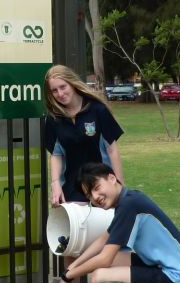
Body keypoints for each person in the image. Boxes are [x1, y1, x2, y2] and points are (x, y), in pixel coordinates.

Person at [56, 162, 180, 283]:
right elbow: (103, 240)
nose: (95, 197)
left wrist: (69, 276)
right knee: (111, 262)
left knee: (99, 278)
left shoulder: (129, 205)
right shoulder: (128, 199)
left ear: (112, 178)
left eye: (97, 188)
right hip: (171, 269)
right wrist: (72, 268)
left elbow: (105, 259)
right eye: (89, 195)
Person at [43, 65, 125, 206]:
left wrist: (120, 188)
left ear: (72, 83)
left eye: (63, 87)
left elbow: (112, 151)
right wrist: (55, 183)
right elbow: (56, 154)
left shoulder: (98, 110)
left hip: (102, 188)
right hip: (71, 191)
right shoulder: (53, 118)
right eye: (54, 90)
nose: (60, 94)